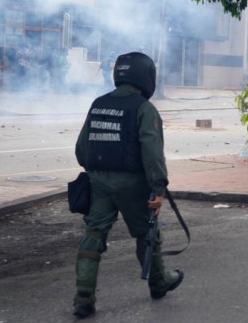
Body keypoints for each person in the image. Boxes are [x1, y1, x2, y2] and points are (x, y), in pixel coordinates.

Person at [72, 52, 183, 319]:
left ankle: (83, 298)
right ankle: (158, 283)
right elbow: (153, 153)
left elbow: (81, 150)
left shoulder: (98, 103)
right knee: (147, 234)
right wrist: (158, 189)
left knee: (94, 235)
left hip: (99, 182)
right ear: (146, 77)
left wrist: (99, 173)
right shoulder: (144, 109)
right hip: (132, 184)